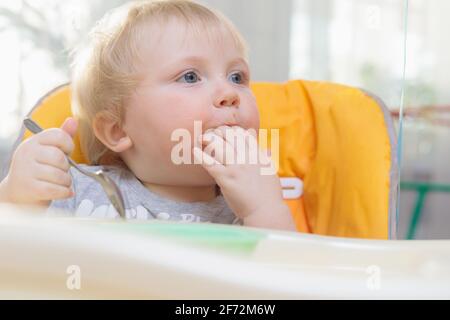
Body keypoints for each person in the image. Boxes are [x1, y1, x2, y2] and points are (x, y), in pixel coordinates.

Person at [0, 0, 295, 231]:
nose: (229, 94)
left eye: (237, 76)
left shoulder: (249, 205)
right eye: (190, 77)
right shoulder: (77, 191)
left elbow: (287, 285)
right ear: (117, 131)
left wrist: (266, 209)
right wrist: (16, 198)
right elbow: (14, 264)